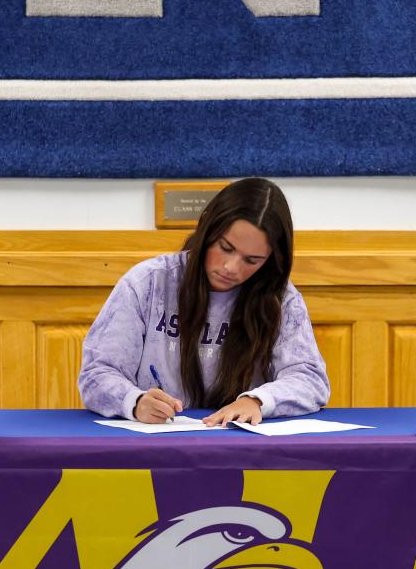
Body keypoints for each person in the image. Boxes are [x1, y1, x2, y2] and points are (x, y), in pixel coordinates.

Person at [78, 178, 330, 426]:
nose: (231, 267)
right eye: (225, 247)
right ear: (207, 229)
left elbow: (310, 379)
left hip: (240, 445)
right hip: (158, 442)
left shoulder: (281, 299)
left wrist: (257, 401)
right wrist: (135, 402)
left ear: (269, 261)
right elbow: (97, 373)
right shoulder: (147, 283)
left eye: (251, 260)